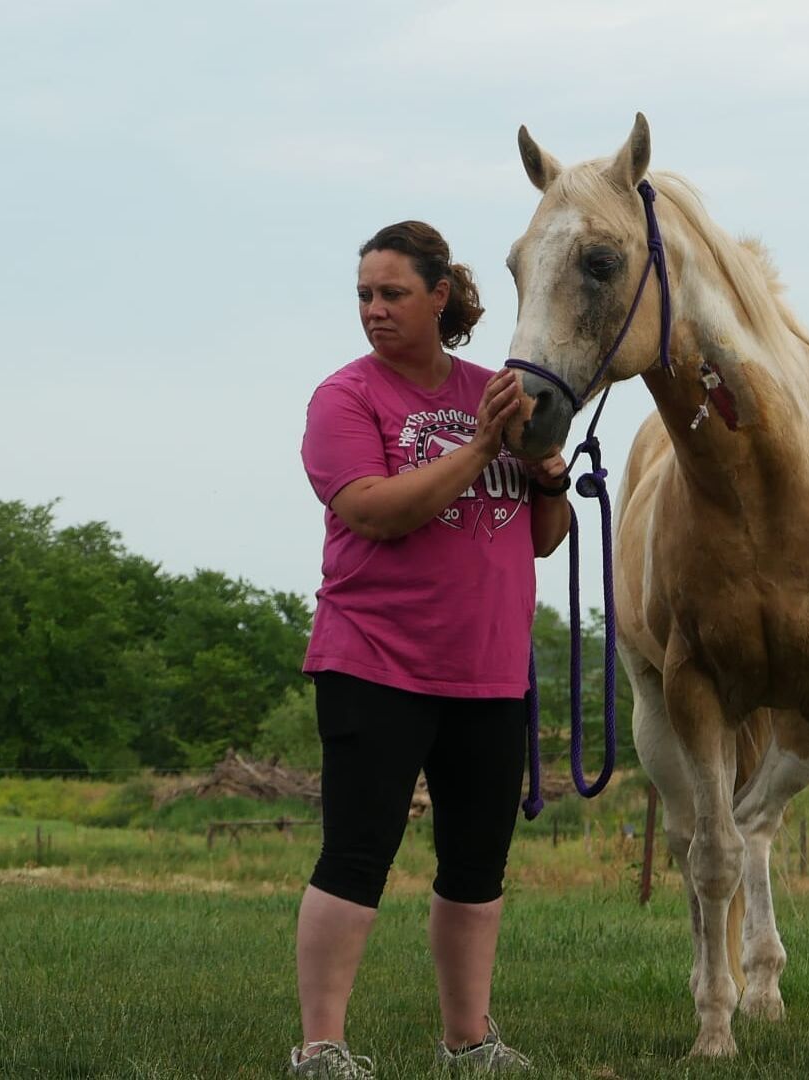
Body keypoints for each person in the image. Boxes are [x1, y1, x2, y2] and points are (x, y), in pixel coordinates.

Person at [288, 221, 572, 1076]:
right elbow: (375, 509)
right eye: (364, 296)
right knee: (357, 853)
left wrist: (549, 474)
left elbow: (543, 538)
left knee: (477, 866)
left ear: (439, 296)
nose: (374, 310)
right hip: (373, 663)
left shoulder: (497, 390)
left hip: (487, 672)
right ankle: (322, 1048)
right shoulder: (345, 398)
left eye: (393, 294)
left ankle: (466, 1041)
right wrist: (483, 446)